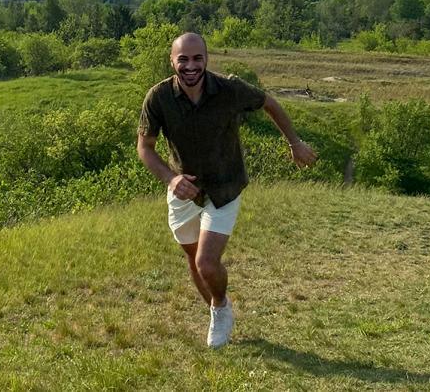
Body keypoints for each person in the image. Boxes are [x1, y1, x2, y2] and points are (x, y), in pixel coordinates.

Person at [136, 32, 317, 348]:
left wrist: (295, 142)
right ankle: (216, 307)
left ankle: (219, 307)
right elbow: (145, 147)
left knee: (207, 262)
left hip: (225, 186)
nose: (190, 66)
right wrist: (171, 179)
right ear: (172, 61)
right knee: (193, 261)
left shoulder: (229, 88)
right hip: (185, 190)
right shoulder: (158, 97)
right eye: (183, 59)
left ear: (206, 59)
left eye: (197, 58)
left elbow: (269, 103)